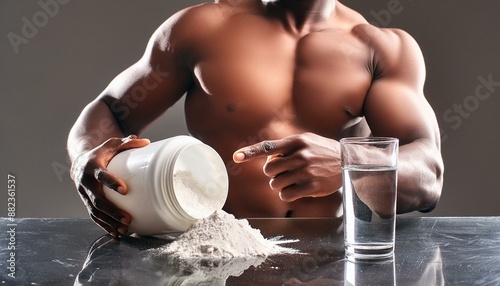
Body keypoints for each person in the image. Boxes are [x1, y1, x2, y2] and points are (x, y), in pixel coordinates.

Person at [68, 0, 444, 237]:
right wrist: (86, 157)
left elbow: (428, 178)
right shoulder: (203, 29)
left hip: (331, 260)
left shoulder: (381, 48)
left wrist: (348, 161)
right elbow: (108, 111)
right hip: (218, 259)